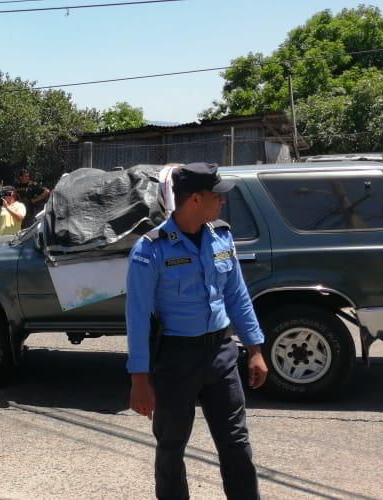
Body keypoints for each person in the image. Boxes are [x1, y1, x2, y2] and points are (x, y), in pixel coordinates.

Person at [126, 162, 268, 500]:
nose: (222, 201)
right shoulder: (151, 249)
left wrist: (255, 349)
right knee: (171, 446)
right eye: (216, 196)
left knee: (236, 444)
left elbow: (237, 295)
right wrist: (139, 380)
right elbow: (137, 317)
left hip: (221, 354)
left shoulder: (221, 237)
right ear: (194, 199)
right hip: (177, 359)